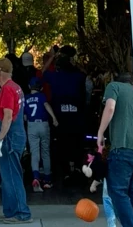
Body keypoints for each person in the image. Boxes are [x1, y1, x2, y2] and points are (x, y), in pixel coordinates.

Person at [96, 72, 133, 227]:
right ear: (132, 85)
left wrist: (100, 132)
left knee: (117, 191)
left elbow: (110, 107)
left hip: (123, 148)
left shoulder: (114, 87)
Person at [0, 57, 30, 224]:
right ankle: (10, 211)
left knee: (12, 176)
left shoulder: (7, 90)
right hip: (16, 135)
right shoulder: (16, 87)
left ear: (0, 71)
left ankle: (21, 213)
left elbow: (7, 117)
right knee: (8, 175)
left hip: (9, 137)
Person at [43, 49, 86, 181]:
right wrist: (75, 62)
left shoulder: (55, 76)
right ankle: (78, 168)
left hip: (60, 115)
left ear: (58, 66)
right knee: (77, 143)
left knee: (62, 144)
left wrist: (52, 57)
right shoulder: (78, 76)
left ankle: (66, 171)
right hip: (76, 115)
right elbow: (86, 74)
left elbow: (43, 72)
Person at [24, 76, 57, 192]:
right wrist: (54, 118)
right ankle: (47, 180)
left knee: (34, 152)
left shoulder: (26, 98)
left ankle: (36, 177)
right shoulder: (42, 96)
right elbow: (46, 105)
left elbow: (24, 116)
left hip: (32, 125)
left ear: (29, 87)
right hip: (43, 124)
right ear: (41, 88)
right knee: (45, 152)